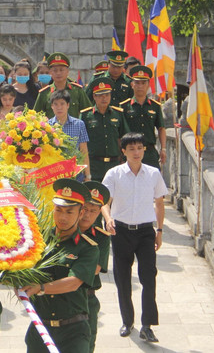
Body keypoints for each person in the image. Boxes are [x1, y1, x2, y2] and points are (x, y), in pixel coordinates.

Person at [101, 132, 167, 343]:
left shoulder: (153, 173)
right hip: (120, 231)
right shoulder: (114, 174)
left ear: (144, 149)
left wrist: (160, 230)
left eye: (139, 148)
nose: (136, 152)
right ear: (124, 151)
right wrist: (108, 218)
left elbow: (159, 203)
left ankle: (147, 325)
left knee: (149, 277)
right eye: (131, 149)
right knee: (123, 278)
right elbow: (104, 201)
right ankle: (127, 321)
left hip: (146, 231)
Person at [20, 178, 98, 353]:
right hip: (40, 327)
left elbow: (74, 282)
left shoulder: (88, 248)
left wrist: (40, 288)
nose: (62, 217)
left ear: (81, 213)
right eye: (59, 210)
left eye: (69, 212)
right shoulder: (36, 241)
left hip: (74, 332)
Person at [79, 181, 112, 353]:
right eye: (84, 209)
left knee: (87, 344)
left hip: (86, 298)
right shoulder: (63, 231)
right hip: (61, 299)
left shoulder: (101, 238)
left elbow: (94, 270)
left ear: (99, 212)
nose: (87, 215)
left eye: (93, 211)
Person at [81, 78, 129, 182]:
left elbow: (123, 138)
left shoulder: (118, 113)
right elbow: (81, 142)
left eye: (107, 95)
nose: (104, 98)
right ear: (94, 96)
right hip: (94, 165)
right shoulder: (86, 115)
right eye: (100, 95)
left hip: (114, 164)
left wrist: (124, 159)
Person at [120, 65, 166, 169]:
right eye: (137, 83)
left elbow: (161, 128)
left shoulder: (155, 106)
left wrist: (163, 149)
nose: (140, 86)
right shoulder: (124, 106)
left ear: (148, 85)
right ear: (132, 84)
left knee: (152, 182)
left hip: (149, 152)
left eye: (143, 83)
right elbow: (120, 130)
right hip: (130, 152)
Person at [49, 89, 91, 181]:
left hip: (75, 173)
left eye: (62, 103)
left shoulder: (79, 124)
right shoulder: (47, 126)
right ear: (52, 106)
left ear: (68, 105)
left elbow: (84, 151)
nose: (59, 107)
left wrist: (87, 175)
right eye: (55, 104)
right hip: (53, 174)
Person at [33, 53, 91, 118]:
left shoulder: (77, 91)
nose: (58, 73)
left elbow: (88, 113)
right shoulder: (44, 93)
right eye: (55, 70)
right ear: (51, 72)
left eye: (61, 70)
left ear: (67, 72)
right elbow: (36, 117)